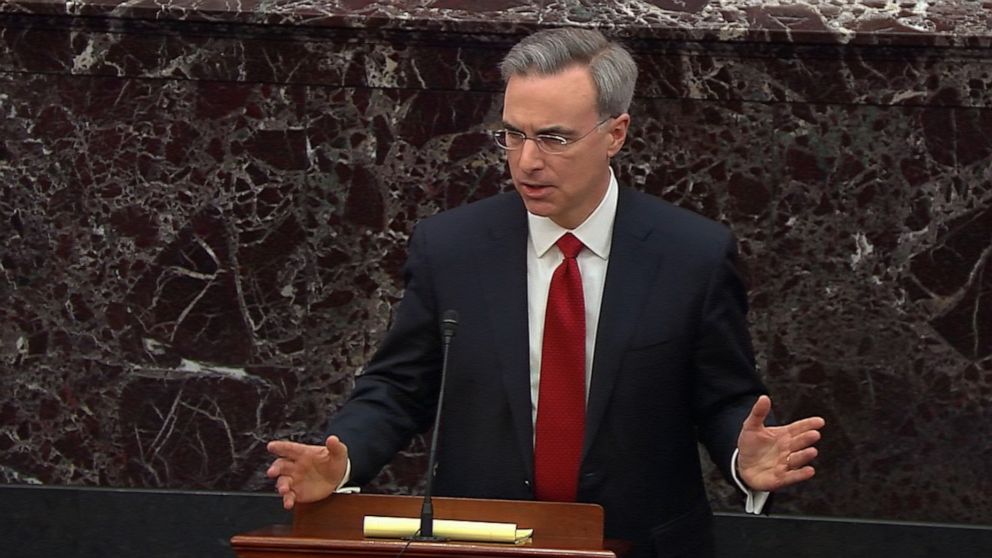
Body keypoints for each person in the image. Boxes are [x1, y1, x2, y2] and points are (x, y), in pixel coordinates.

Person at [266, 27, 824, 558]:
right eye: (513, 134)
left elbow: (724, 398)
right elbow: (397, 386)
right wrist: (340, 463)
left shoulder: (691, 255)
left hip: (640, 543)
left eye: (554, 138)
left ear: (615, 133)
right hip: (479, 541)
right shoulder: (452, 248)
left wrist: (740, 458)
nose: (527, 161)